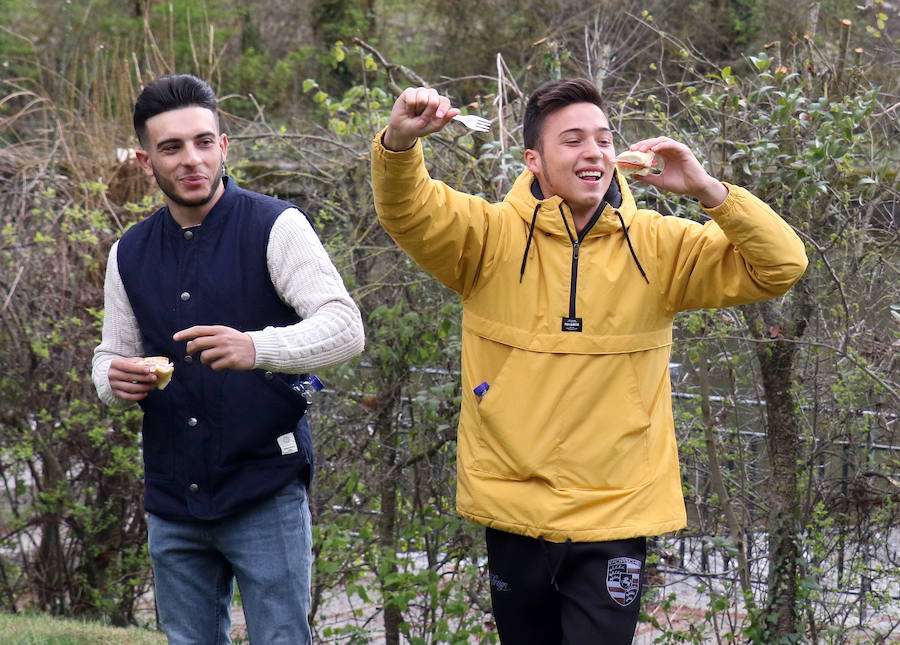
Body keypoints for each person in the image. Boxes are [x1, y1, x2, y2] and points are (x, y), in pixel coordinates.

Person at [370, 78, 807, 643]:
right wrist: (400, 143)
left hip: (615, 512)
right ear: (534, 160)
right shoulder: (487, 239)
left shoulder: (659, 246)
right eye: (571, 140)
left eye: (602, 138)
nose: (593, 152)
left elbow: (780, 266)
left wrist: (707, 189)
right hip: (514, 507)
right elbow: (407, 210)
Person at [92, 73, 364, 644]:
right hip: (171, 497)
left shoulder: (277, 226)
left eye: (202, 142)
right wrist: (111, 378)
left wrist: (258, 346)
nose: (190, 159)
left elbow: (346, 328)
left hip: (264, 487)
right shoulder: (129, 252)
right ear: (147, 161)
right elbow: (112, 354)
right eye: (171, 147)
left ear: (223, 146)